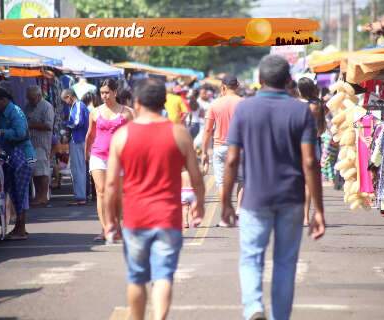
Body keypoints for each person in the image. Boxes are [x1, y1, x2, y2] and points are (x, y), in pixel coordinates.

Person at [221, 55, 326, 320]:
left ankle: (254, 307)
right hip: (291, 199)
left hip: (255, 199)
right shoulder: (300, 110)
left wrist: (226, 201)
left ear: (259, 80)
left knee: (251, 258)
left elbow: (232, 159)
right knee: (284, 263)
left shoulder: (245, 109)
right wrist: (318, 211)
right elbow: (310, 162)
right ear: (289, 80)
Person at [104, 78, 205, 320]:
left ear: (136, 103)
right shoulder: (179, 133)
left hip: (136, 217)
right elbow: (196, 177)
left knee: (137, 277)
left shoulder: (123, 135)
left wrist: (110, 221)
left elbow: (110, 185)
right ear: (163, 103)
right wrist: (198, 205)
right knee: (163, 277)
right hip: (168, 218)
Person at [85, 78, 133, 242]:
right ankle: (106, 229)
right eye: (102, 93)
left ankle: (117, 227)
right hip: (98, 155)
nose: (104, 96)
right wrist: (86, 154)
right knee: (102, 192)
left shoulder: (127, 112)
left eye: (107, 93)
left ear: (115, 92)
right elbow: (90, 135)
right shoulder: (95, 112)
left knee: (118, 194)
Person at [0, 88, 36, 240]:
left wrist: (1, 132)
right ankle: (19, 227)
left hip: (23, 155)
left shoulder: (15, 112)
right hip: (15, 156)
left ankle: (20, 229)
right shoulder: (3, 113)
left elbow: (20, 133)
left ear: (3, 99)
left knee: (20, 193)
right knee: (15, 192)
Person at [202, 74, 244, 227]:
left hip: (220, 147)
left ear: (223, 87)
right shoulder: (244, 103)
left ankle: (226, 215)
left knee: (221, 183)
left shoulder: (214, 104)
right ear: (237, 86)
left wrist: (205, 152)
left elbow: (207, 130)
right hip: (240, 147)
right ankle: (238, 212)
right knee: (242, 180)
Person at [297, 77, 326, 225]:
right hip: (314, 143)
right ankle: (305, 217)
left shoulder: (297, 105)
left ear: (300, 89)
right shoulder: (318, 105)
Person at [24, 85, 55, 206]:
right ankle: (38, 196)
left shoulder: (47, 107)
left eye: (32, 98)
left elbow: (48, 126)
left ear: (39, 96)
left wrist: (30, 125)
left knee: (42, 171)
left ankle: (43, 197)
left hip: (41, 144)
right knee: (34, 171)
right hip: (30, 144)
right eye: (29, 98)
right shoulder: (28, 106)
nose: (30, 101)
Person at [61, 89, 89, 206]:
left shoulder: (78, 105)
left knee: (78, 169)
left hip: (78, 140)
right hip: (80, 140)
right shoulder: (79, 106)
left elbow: (77, 122)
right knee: (81, 169)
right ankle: (82, 195)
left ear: (69, 96)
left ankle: (81, 196)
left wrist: (64, 125)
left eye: (65, 100)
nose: (65, 103)